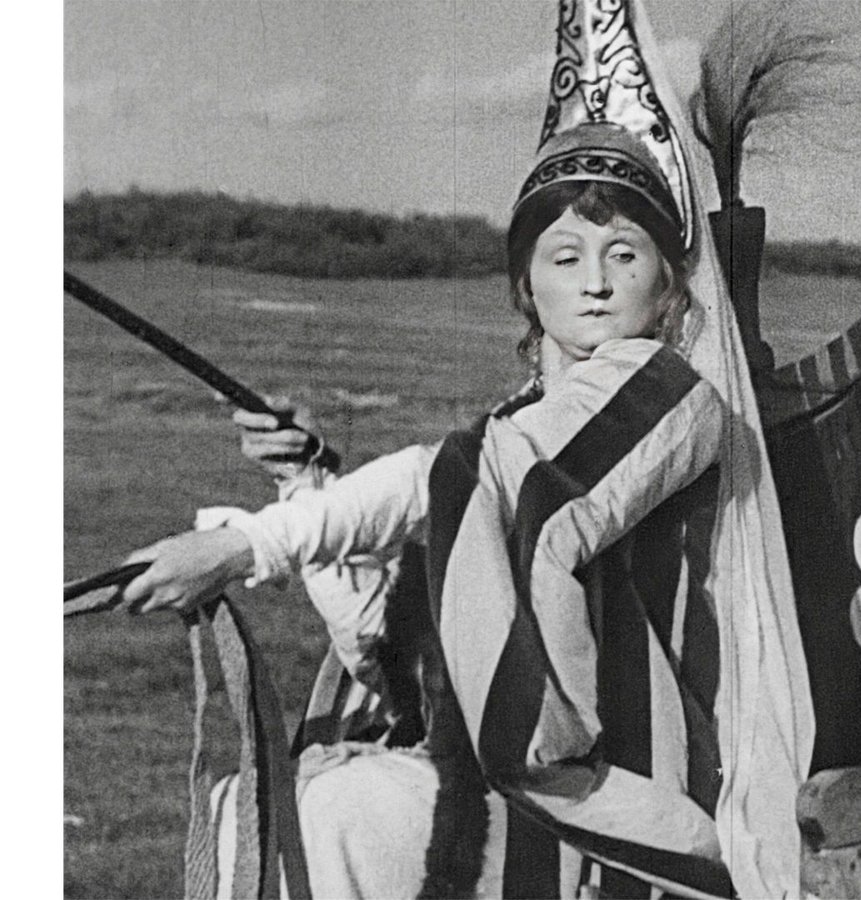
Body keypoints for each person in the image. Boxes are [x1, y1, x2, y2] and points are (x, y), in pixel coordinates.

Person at [120, 2, 814, 897]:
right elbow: (400, 652)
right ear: (527, 285)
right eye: (565, 257)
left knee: (332, 815)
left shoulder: (666, 395)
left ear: (671, 286)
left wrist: (247, 544)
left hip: (615, 795)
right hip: (503, 777)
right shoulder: (517, 422)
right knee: (263, 809)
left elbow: (474, 475)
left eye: (624, 255)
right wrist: (304, 481)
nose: (596, 283)